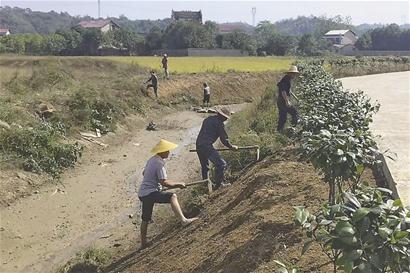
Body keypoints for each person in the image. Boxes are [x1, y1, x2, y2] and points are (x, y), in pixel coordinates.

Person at [138, 139, 198, 250]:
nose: (169, 153)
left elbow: (144, 173)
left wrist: (156, 185)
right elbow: (164, 182)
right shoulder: (159, 163)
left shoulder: (152, 160)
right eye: (167, 151)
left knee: (145, 219)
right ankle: (184, 220)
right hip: (150, 193)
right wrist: (179, 184)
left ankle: (143, 243)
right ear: (162, 151)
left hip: (143, 193)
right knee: (172, 196)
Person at [195, 107, 238, 190]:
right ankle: (219, 184)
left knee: (205, 167)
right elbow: (224, 139)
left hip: (199, 145)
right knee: (221, 164)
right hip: (206, 146)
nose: (226, 119)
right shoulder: (219, 124)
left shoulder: (208, 119)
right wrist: (231, 147)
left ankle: (206, 186)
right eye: (225, 117)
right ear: (222, 116)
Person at [276, 65, 300, 132]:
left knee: (283, 117)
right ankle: (293, 128)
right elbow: (283, 91)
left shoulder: (288, 79)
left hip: (281, 101)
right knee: (294, 113)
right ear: (291, 73)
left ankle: (279, 131)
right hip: (282, 101)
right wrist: (287, 101)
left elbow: (288, 90)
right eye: (294, 74)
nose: (295, 75)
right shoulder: (285, 80)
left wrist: (296, 98)